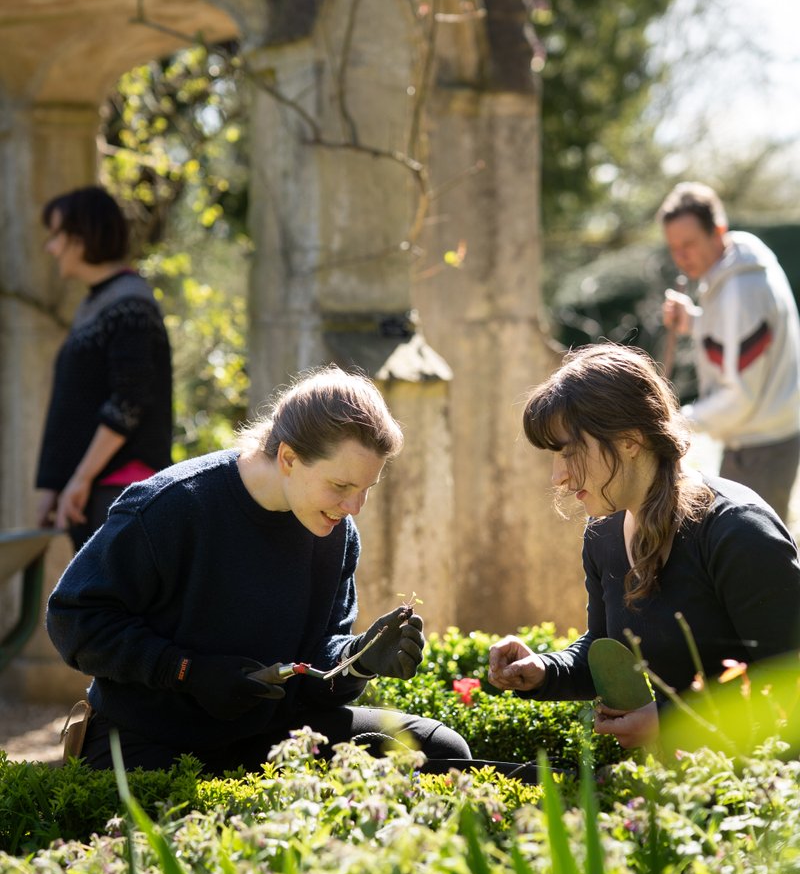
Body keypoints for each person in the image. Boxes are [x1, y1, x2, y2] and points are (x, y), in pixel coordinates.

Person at [46, 366, 471, 772]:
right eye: (341, 486)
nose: (354, 507)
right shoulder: (171, 506)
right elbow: (73, 619)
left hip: (272, 736)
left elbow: (314, 664)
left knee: (441, 751)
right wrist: (187, 672)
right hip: (148, 738)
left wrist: (356, 658)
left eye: (365, 489)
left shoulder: (335, 530)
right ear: (288, 458)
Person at [487, 344, 800, 750]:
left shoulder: (737, 531)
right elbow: (606, 647)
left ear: (630, 440)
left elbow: (789, 683)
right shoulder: (604, 532)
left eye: (570, 452)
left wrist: (671, 722)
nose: (557, 476)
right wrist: (545, 670)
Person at [35, 185, 173, 551]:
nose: (51, 247)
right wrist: (55, 486)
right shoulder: (95, 303)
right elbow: (73, 405)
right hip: (91, 490)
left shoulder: (131, 302)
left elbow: (129, 400)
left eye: (56, 234)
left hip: (120, 488)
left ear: (81, 237)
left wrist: (80, 479)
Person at [659, 181, 800, 522]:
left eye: (689, 244)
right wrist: (695, 322)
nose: (681, 257)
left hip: (761, 446)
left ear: (718, 231)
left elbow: (739, 397)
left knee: (751, 548)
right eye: (674, 247)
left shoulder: (741, 291)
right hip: (766, 432)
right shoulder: (735, 268)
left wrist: (675, 422)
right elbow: (735, 341)